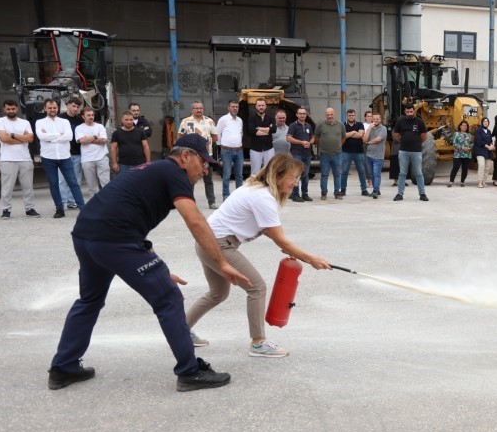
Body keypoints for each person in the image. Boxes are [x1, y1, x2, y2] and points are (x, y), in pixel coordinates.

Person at [47, 135, 250, 392]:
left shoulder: (153, 171)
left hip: (87, 236)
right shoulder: (173, 171)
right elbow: (196, 221)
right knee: (169, 298)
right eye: (203, 161)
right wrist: (222, 262)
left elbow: (130, 220)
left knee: (90, 300)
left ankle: (63, 367)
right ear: (186, 157)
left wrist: (155, 265)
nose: (205, 169)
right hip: (114, 240)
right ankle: (190, 372)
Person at [186, 154, 331, 358]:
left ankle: (181, 331)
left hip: (207, 242)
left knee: (218, 293)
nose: (296, 183)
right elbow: (281, 240)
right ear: (279, 175)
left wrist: (292, 250)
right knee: (257, 288)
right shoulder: (262, 197)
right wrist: (312, 259)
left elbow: (274, 236)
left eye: (298, 178)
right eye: (293, 177)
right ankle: (258, 342)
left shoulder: (256, 189)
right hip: (218, 245)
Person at [37, 99, 86, 218]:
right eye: (50, 108)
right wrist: (59, 135)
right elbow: (41, 136)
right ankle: (59, 209)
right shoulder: (40, 122)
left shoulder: (64, 122)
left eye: (54, 107)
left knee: (73, 183)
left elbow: (69, 136)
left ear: (57, 108)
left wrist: (50, 137)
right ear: (45, 109)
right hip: (48, 157)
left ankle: (83, 208)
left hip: (65, 157)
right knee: (54, 184)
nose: (52, 110)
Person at [0, 100, 40, 219]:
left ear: (17, 109)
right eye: (8, 109)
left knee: (28, 186)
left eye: (13, 109)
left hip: (25, 158)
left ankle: (30, 208)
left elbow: (30, 139)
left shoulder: (24, 122)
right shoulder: (0, 122)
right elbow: (4, 139)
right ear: (4, 109)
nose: (11, 111)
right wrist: (22, 138)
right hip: (7, 159)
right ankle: (6, 210)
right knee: (7, 187)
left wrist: (13, 135)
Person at [177, 101, 218, 209]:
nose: (199, 110)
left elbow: (215, 137)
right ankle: (189, 202)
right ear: (192, 110)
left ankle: (212, 202)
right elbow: (180, 137)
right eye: (196, 108)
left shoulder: (209, 121)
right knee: (190, 180)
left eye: (200, 108)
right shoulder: (185, 121)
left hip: (206, 156)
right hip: (191, 156)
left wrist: (207, 143)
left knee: (208, 179)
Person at [393, 103, 428, 201]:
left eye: (411, 111)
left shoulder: (419, 122)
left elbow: (424, 136)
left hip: (416, 151)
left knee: (418, 172)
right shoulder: (400, 121)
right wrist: (403, 141)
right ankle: (400, 194)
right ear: (405, 112)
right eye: (407, 112)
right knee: (402, 173)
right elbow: (396, 135)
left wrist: (416, 142)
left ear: (414, 111)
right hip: (403, 151)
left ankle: (422, 194)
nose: (409, 113)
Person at [75, 107, 110, 195]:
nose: (91, 117)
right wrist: (95, 137)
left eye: (92, 115)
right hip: (87, 159)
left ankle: (108, 202)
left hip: (102, 158)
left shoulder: (100, 126)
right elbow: (81, 141)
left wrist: (88, 139)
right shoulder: (79, 128)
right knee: (91, 184)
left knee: (106, 182)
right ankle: (95, 203)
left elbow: (103, 140)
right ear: (83, 116)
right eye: (88, 115)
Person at [58, 98, 85, 208]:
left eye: (78, 107)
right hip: (64, 153)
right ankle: (63, 202)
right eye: (73, 106)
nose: (75, 109)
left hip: (77, 153)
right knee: (62, 179)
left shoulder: (80, 120)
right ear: (68, 105)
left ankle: (72, 201)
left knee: (76, 179)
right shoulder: (60, 119)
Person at [215, 100, 245, 200]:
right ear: (228, 108)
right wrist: (221, 146)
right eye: (233, 106)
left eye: (237, 106)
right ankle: (226, 195)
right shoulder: (223, 119)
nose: (235, 108)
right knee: (227, 174)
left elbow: (241, 134)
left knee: (239, 175)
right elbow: (217, 134)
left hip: (239, 150)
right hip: (226, 151)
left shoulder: (240, 120)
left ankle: (239, 196)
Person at [314, 106, 345, 200]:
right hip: (324, 154)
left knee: (337, 174)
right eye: (328, 115)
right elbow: (316, 136)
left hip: (337, 154)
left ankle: (337, 193)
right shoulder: (321, 125)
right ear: (325, 115)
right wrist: (322, 145)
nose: (329, 116)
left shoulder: (340, 125)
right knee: (324, 174)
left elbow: (344, 136)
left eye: (331, 114)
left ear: (334, 114)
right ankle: (324, 193)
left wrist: (339, 145)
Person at [286, 106, 316, 202]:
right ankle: (295, 195)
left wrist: (309, 143)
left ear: (306, 115)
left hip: (307, 154)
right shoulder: (293, 126)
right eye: (300, 113)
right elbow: (289, 138)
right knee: (296, 175)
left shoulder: (308, 126)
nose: (302, 115)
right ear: (297, 115)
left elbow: (312, 137)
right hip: (297, 153)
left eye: (304, 114)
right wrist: (301, 142)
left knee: (305, 175)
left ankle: (305, 194)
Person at [110, 110, 150, 178]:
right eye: (126, 120)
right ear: (122, 120)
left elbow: (146, 147)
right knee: (123, 184)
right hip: (123, 165)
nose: (129, 122)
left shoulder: (140, 132)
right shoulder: (116, 133)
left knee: (139, 183)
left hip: (139, 164)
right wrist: (114, 163)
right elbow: (113, 148)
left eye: (131, 119)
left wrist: (148, 162)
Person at [339, 108, 369, 197]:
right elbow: (342, 135)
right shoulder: (342, 125)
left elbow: (360, 135)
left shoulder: (359, 124)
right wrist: (353, 132)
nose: (351, 117)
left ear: (355, 115)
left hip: (359, 152)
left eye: (352, 115)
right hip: (346, 152)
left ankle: (364, 190)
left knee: (361, 171)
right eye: (349, 115)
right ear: (347, 116)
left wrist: (348, 134)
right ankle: (343, 190)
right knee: (344, 171)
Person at [246, 98, 274, 176]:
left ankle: (267, 187)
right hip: (255, 149)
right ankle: (254, 188)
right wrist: (268, 130)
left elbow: (274, 129)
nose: (261, 107)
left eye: (262, 105)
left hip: (269, 148)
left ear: (266, 106)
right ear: (256, 107)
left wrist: (258, 128)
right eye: (259, 105)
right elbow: (252, 131)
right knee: (255, 172)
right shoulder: (251, 118)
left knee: (269, 171)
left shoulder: (270, 118)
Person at [364, 110, 386, 198]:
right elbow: (364, 139)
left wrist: (369, 143)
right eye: (374, 119)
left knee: (376, 174)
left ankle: (375, 191)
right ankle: (377, 189)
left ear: (380, 120)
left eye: (377, 119)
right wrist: (369, 128)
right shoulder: (370, 128)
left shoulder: (383, 129)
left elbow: (378, 139)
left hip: (378, 156)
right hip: (369, 155)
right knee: (371, 174)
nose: (375, 120)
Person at [448, 120, 473, 186]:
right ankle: (451, 181)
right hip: (458, 154)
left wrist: (469, 148)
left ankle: (462, 182)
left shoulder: (469, 135)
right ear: (460, 126)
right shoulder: (456, 134)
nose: (464, 127)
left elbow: (471, 143)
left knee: (465, 169)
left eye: (466, 126)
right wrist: (462, 148)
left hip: (467, 154)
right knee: (455, 167)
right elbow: (454, 143)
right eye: (463, 125)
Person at [473, 116, 494, 187]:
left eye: (487, 121)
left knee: (487, 167)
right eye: (484, 121)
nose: (486, 123)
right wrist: (488, 146)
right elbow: (479, 141)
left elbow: (490, 141)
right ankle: (480, 182)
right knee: (481, 165)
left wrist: (491, 145)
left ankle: (484, 181)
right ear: (482, 122)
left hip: (488, 152)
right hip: (480, 151)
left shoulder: (489, 131)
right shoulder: (478, 130)